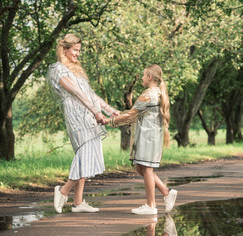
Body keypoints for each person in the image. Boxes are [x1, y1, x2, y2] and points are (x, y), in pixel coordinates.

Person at [46, 34, 119, 213]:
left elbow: (90, 94)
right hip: (77, 116)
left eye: (79, 50)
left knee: (86, 155)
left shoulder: (76, 70)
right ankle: (63, 191)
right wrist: (96, 113)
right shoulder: (57, 69)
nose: (78, 54)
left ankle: (78, 202)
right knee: (84, 153)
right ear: (65, 50)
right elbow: (78, 94)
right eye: (75, 50)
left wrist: (110, 111)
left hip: (89, 115)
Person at [106, 64, 177, 215]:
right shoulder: (157, 93)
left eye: (144, 76)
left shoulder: (148, 95)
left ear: (150, 77)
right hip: (151, 136)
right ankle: (166, 192)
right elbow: (133, 113)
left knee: (147, 169)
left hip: (147, 137)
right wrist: (119, 114)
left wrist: (109, 121)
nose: (142, 78)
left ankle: (151, 205)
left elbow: (130, 115)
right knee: (141, 168)